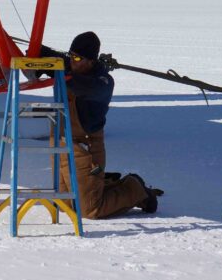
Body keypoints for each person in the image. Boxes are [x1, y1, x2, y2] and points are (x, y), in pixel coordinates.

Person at [49, 31, 162, 219]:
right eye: (70, 56)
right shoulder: (71, 67)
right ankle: (101, 183)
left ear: (91, 61)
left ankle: (136, 189)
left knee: (90, 210)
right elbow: (52, 58)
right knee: (65, 204)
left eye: (77, 58)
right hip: (60, 143)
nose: (72, 61)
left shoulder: (102, 82)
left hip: (84, 148)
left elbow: (77, 85)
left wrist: (57, 69)